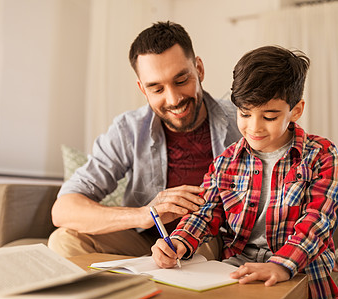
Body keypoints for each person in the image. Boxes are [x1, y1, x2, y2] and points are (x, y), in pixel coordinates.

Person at [151, 45, 338, 299]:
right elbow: (205, 214)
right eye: (244, 113)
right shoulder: (226, 161)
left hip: (301, 268)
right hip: (238, 268)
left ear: (295, 110)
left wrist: (281, 264)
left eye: (269, 117)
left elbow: (318, 221)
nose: (254, 127)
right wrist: (179, 242)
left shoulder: (321, 154)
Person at [48, 21, 241, 258]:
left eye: (181, 81)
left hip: (209, 240)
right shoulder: (128, 130)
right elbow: (64, 209)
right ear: (142, 89)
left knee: (205, 248)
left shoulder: (244, 120)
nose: (173, 99)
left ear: (199, 69)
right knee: (64, 240)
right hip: (147, 242)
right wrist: (146, 214)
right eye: (157, 89)